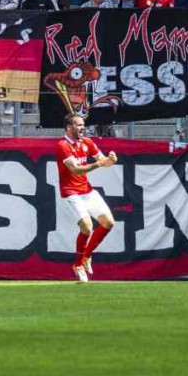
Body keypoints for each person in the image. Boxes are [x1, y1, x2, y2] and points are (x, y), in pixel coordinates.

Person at [57, 114, 119, 283]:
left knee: (109, 222)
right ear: (69, 127)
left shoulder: (87, 142)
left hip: (87, 191)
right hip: (71, 192)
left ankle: (86, 256)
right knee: (87, 226)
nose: (82, 128)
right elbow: (76, 170)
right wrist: (98, 164)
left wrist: (111, 160)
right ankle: (78, 265)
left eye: (83, 125)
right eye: (78, 125)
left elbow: (103, 162)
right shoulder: (63, 145)